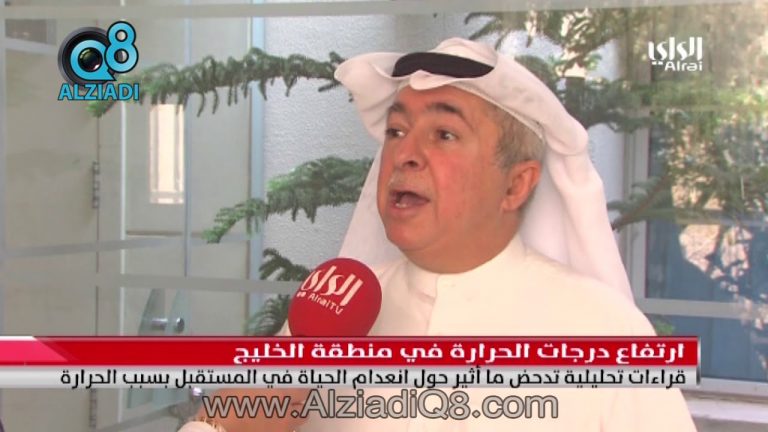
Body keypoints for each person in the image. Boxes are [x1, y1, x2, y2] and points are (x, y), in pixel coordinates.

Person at [180, 38, 696, 431]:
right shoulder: (335, 313)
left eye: (444, 134)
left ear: (516, 184)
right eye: (396, 131)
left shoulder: (605, 334)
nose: (405, 154)